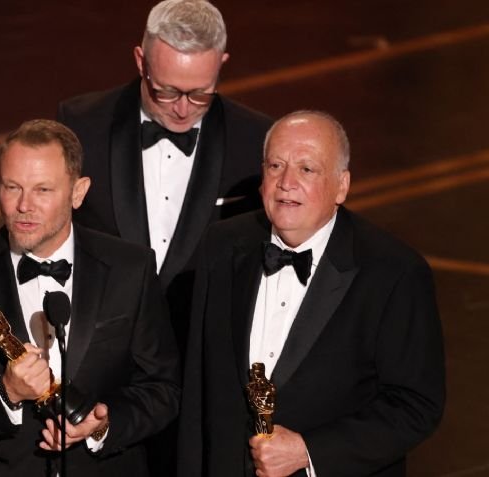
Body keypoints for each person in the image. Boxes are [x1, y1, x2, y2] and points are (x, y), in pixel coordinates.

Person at [178, 110, 445, 476]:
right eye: (276, 166)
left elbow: (416, 405)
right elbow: (198, 387)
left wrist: (309, 451)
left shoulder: (394, 272)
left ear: (341, 186)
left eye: (307, 169)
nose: (286, 183)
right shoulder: (222, 245)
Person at [0, 119, 180, 477]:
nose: (24, 205)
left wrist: (103, 426)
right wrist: (6, 393)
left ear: (78, 192)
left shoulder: (130, 268)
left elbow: (163, 389)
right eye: (12, 187)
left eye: (42, 190)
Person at [57, 0, 272, 349]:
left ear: (222, 63)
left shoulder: (256, 141)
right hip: (102, 349)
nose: (183, 109)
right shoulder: (81, 124)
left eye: (200, 93)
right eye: (167, 91)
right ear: (141, 61)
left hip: (201, 351)